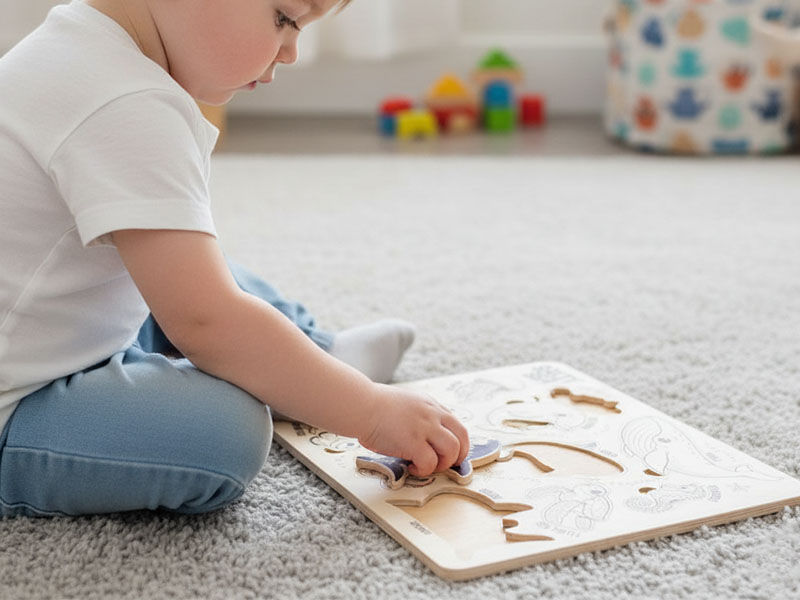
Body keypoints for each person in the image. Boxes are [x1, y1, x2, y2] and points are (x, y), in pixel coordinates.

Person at [0, 0, 470, 518]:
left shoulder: (76, 41)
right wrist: (371, 411)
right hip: (17, 406)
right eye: (285, 19)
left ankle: (317, 356)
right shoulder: (126, 103)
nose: (291, 51)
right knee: (226, 430)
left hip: (48, 331)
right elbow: (207, 323)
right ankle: (309, 374)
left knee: (191, 268)